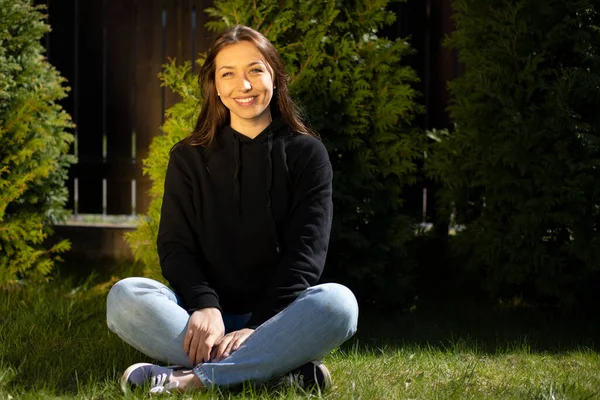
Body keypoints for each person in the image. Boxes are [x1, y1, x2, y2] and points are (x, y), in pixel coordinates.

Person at [106, 24, 359, 395]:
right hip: (201, 319)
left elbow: (305, 256)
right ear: (215, 85)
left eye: (255, 70)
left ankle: (192, 378)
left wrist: (257, 327)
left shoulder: (307, 154)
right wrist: (205, 306)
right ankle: (274, 370)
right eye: (229, 74)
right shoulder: (188, 158)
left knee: (339, 304)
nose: (243, 86)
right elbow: (176, 247)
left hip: (278, 317)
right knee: (125, 297)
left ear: (275, 75)